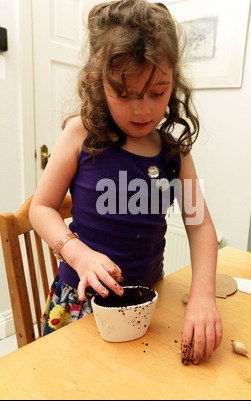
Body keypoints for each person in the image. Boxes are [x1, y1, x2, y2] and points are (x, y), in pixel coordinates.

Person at [29, 0, 222, 365]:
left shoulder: (174, 153)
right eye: (125, 93)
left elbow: (200, 227)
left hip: (146, 302)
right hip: (80, 303)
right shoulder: (79, 135)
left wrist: (203, 296)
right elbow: (41, 208)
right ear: (97, 82)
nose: (143, 110)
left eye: (156, 92)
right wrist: (78, 253)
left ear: (174, 82)